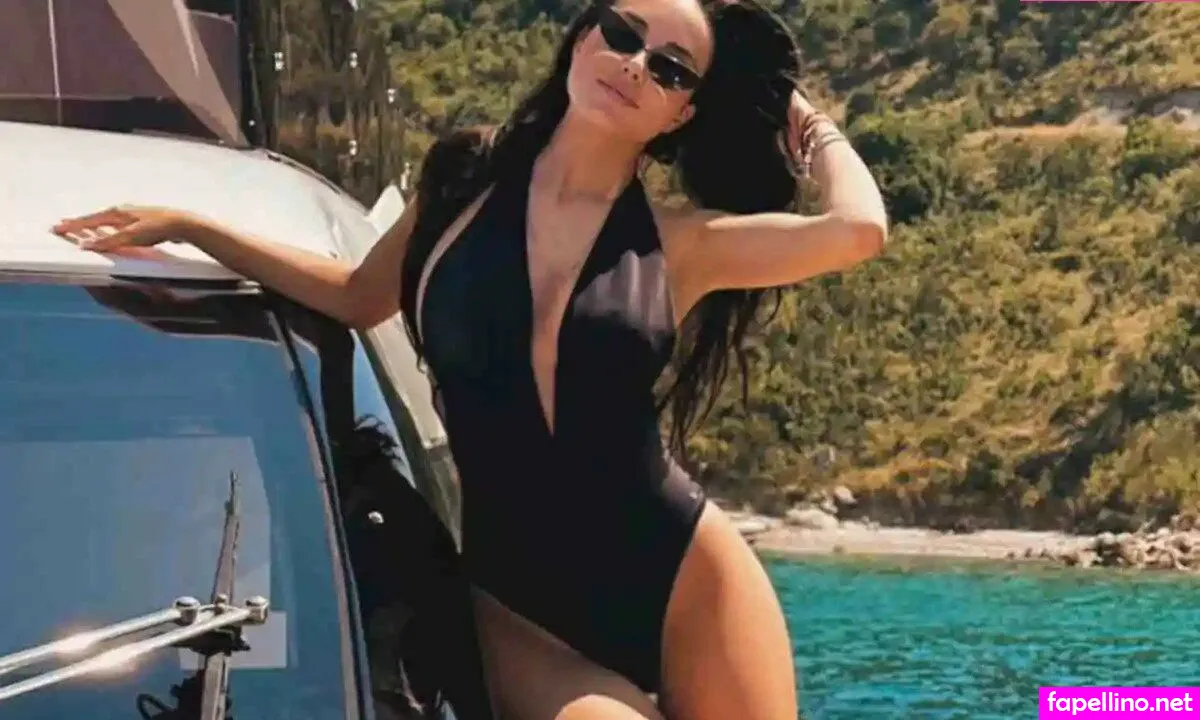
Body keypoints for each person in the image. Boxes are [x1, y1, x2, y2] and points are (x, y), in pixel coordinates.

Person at [52, 0, 888, 717]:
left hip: (684, 578)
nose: (635, 64)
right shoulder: (463, 182)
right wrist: (198, 228)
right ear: (582, 36)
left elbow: (858, 231)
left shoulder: (681, 244)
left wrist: (804, 119)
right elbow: (356, 294)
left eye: (669, 68)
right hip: (515, 600)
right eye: (622, 31)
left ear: (679, 114)